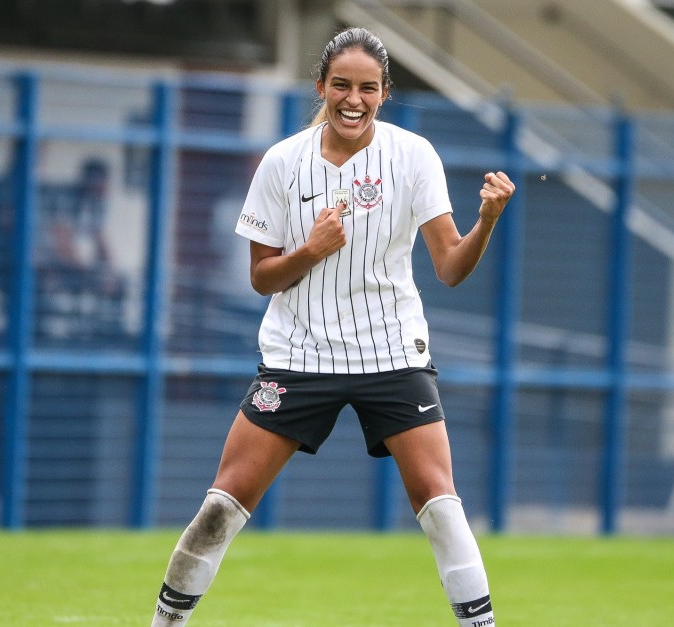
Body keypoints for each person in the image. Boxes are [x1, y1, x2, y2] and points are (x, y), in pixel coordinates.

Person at [150, 26, 514, 627]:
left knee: (440, 502)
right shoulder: (282, 163)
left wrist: (488, 220)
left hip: (392, 351)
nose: (354, 99)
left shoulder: (413, 155)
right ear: (320, 86)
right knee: (223, 503)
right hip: (299, 354)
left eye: (367, 88)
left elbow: (450, 267)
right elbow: (263, 279)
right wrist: (312, 249)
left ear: (384, 93)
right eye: (341, 85)